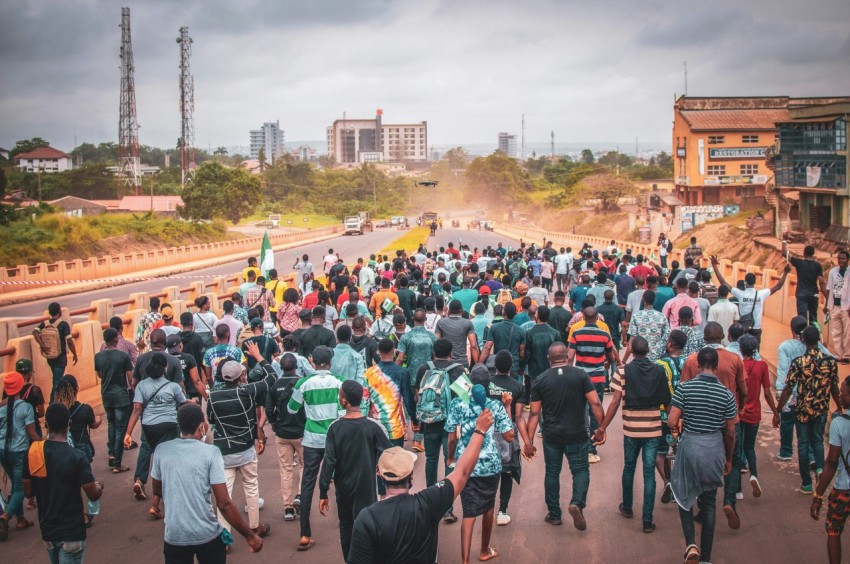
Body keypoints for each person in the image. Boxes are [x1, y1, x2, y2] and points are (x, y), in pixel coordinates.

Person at [347, 409, 493, 564]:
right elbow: (462, 472)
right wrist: (480, 430)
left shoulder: (367, 519)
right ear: (411, 476)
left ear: (379, 473)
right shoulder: (428, 502)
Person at [152, 403, 263, 561]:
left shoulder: (161, 451)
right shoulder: (211, 452)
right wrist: (250, 536)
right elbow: (224, 503)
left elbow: (157, 490)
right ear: (201, 426)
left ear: (179, 426)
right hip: (206, 533)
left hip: (174, 535)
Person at [667, 347, 738, 564]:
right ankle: (706, 558)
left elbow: (671, 421)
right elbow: (731, 432)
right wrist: (728, 458)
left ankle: (691, 545)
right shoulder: (726, 393)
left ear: (698, 365)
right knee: (708, 504)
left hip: (690, 447)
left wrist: (680, 427)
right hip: (714, 448)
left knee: (683, 498)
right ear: (716, 367)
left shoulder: (685, 388)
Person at [526, 342, 605, 530]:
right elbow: (595, 403)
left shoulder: (540, 380)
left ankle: (554, 514)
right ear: (567, 357)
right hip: (577, 433)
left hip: (552, 435)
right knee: (580, 470)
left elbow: (534, 414)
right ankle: (577, 502)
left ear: (548, 358)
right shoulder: (580, 375)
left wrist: (528, 441)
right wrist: (601, 428)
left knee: (552, 472)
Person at [598, 337, 671, 533]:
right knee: (649, 474)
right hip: (653, 430)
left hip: (631, 429)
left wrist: (602, 428)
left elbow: (614, 403)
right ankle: (647, 520)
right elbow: (666, 401)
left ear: (631, 349)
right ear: (647, 350)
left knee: (629, 467)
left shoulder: (623, 371)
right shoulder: (659, 370)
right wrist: (671, 424)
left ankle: (628, 507)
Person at [445, 365, 514, 564]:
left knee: (468, 510)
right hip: (490, 464)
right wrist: (507, 406)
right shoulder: (494, 405)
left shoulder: (458, 403)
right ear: (488, 384)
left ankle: (464, 560)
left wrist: (451, 458)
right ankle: (484, 551)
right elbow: (509, 436)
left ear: (470, 382)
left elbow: (451, 437)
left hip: (465, 464)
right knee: (488, 506)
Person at [206, 342, 274, 541]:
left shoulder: (213, 397)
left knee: (223, 496)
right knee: (251, 486)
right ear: (240, 377)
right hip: (245, 449)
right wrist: (258, 356)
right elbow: (271, 378)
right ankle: (254, 526)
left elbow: (211, 419)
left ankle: (224, 536)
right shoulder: (246, 391)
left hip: (223, 451)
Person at [318, 380, 391, 561]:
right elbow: (390, 453)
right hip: (366, 488)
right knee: (367, 525)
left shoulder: (335, 427)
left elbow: (329, 462)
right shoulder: (373, 426)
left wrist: (323, 491)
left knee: (346, 526)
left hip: (344, 489)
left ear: (343, 401)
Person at [22, 403, 103, 562]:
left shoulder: (33, 453)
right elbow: (93, 494)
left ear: (46, 425)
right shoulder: (77, 457)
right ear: (69, 424)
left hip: (48, 532)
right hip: (72, 532)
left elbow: (28, 492)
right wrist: (99, 485)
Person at [287, 345, 344, 551]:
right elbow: (342, 411)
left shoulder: (304, 383)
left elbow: (291, 409)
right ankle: (344, 521)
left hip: (311, 439)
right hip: (334, 439)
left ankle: (304, 533)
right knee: (340, 479)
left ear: (312, 361)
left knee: (307, 484)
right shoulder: (339, 383)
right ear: (330, 362)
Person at [776, 325, 843, 494]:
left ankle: (806, 483)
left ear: (803, 341)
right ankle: (820, 470)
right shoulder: (830, 361)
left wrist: (778, 410)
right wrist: (840, 407)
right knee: (818, 441)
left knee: (803, 444)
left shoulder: (799, 362)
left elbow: (788, 388)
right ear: (819, 340)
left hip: (802, 410)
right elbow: (835, 388)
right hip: (821, 408)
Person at [125, 353, 187, 520]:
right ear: (164, 369)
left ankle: (152, 498)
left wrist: (128, 433)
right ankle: (161, 502)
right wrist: (194, 403)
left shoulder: (141, 386)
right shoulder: (173, 386)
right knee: (169, 463)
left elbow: (137, 409)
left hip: (149, 427)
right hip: (169, 426)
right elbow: (183, 403)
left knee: (156, 458)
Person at [414, 339, 469, 523]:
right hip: (450, 424)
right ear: (451, 353)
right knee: (449, 461)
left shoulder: (424, 368)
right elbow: (467, 397)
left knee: (431, 459)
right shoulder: (458, 370)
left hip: (429, 422)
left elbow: (417, 395)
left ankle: (430, 501)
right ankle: (447, 507)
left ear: (433, 352)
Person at [568, 306, 617, 464]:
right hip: (597, 379)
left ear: (582, 317)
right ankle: (591, 449)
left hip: (581, 378)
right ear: (597, 318)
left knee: (580, 412)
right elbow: (611, 356)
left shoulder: (576, 333)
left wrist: (570, 372)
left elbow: (570, 357)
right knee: (596, 412)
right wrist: (608, 363)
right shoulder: (604, 334)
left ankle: (580, 447)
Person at [711, 255, 791, 347]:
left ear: (745, 282)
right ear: (755, 282)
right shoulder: (761, 294)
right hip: (756, 329)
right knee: (755, 352)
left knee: (742, 350)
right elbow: (778, 286)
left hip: (744, 328)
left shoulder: (740, 294)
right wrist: (785, 273)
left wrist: (714, 266)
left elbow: (723, 283)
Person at [811, 376, 850, 564]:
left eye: (843, 393)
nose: (840, 396)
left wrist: (818, 495)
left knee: (834, 529)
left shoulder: (839, 423)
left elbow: (832, 462)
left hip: (844, 489)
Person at [488, 351, 529, 526]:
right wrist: (527, 441)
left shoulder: (486, 383)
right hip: (508, 433)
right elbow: (518, 417)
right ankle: (502, 511)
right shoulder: (518, 387)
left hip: (487, 431)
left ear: (495, 365)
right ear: (511, 367)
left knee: (489, 472)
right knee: (506, 472)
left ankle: (487, 508)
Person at [736, 334, 778, 499]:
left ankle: (738, 489)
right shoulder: (762, 366)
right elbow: (767, 393)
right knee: (749, 447)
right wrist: (776, 412)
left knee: (737, 450)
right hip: (754, 413)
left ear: (740, 348)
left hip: (739, 412)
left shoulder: (738, 365)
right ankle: (754, 475)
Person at [266, 353, 306, 522]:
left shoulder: (275, 386)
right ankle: (300, 495)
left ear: (281, 368)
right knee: (305, 466)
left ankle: (288, 507)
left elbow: (269, 409)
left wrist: (274, 423)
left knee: (286, 469)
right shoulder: (303, 384)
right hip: (302, 432)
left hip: (282, 433)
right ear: (296, 366)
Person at [0, 371, 40, 539]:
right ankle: (5, 517)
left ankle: (21, 519)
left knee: (15, 486)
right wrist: (44, 443)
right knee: (20, 489)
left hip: (2, 450)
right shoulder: (25, 407)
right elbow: (32, 433)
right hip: (19, 451)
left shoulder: (1, 406)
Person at [364, 339, 417, 449]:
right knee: (395, 461)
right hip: (396, 427)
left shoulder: (369, 373)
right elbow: (408, 399)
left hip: (376, 426)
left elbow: (365, 401)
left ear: (378, 352)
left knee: (378, 462)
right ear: (394, 351)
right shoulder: (402, 372)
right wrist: (414, 420)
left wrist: (363, 423)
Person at [94, 328, 134, 473]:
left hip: (106, 394)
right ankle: (118, 463)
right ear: (116, 339)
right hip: (121, 395)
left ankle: (111, 453)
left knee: (111, 424)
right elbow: (130, 378)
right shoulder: (123, 356)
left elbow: (99, 374)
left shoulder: (98, 357)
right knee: (120, 429)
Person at [32, 302, 77, 402]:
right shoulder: (63, 325)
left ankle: (58, 401)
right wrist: (75, 354)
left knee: (56, 378)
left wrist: (42, 344)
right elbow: (69, 341)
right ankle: (53, 403)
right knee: (57, 381)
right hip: (60, 358)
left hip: (50, 357)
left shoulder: (45, 323)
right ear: (59, 311)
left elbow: (35, 332)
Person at [784, 242, 827, 325]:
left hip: (801, 295)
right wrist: (827, 297)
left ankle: (801, 335)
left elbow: (784, 254)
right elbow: (821, 282)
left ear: (804, 253)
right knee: (813, 319)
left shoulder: (799, 263)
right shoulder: (818, 265)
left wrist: (784, 242)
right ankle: (813, 335)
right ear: (813, 254)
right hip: (813, 295)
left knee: (802, 318)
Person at [524, 306, 562, 398]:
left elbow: (527, 354)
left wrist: (522, 367)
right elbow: (560, 354)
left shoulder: (530, 333)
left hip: (535, 372)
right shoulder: (555, 333)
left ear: (537, 316)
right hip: (551, 371)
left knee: (536, 396)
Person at [480, 301, 525, 377]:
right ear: (515, 314)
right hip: (514, 366)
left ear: (503, 313)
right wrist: (520, 366)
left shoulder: (494, 328)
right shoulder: (521, 330)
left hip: (499, 366)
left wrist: (479, 364)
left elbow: (487, 348)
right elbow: (522, 353)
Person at [625, 290, 669, 362]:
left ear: (643, 300)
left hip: (640, 358)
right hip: (657, 358)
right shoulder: (662, 316)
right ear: (654, 300)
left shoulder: (636, 316)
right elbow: (667, 336)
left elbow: (631, 341)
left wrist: (623, 361)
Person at [436, 300, 479, 368]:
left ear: (449, 310)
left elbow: (437, 342)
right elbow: (473, 345)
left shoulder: (441, 323)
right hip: (462, 362)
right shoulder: (467, 323)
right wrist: (477, 365)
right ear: (461, 310)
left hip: (446, 362)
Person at [825, 250, 850, 363]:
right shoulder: (833, 272)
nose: (841, 260)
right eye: (839, 258)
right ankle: (838, 355)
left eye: (843, 258)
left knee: (847, 332)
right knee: (836, 332)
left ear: (848, 259)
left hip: (847, 308)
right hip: (835, 306)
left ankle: (846, 355)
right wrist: (826, 305)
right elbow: (829, 288)